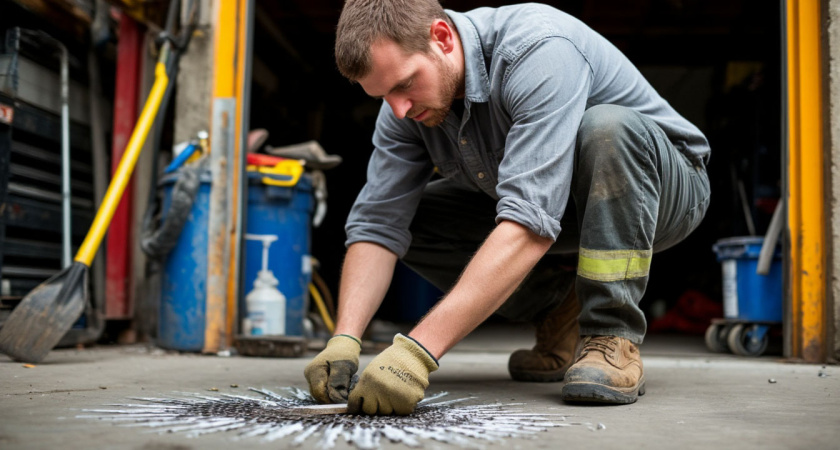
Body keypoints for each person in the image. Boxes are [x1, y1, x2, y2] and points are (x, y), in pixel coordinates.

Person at [305, 0, 711, 415]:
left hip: (662, 191)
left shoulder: (537, 50)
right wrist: (345, 339)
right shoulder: (404, 111)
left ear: (442, 38)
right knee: (415, 220)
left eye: (405, 84)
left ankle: (610, 334)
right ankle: (559, 310)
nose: (399, 109)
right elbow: (377, 225)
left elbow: (529, 221)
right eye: (383, 95)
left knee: (607, 128)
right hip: (561, 206)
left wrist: (417, 352)